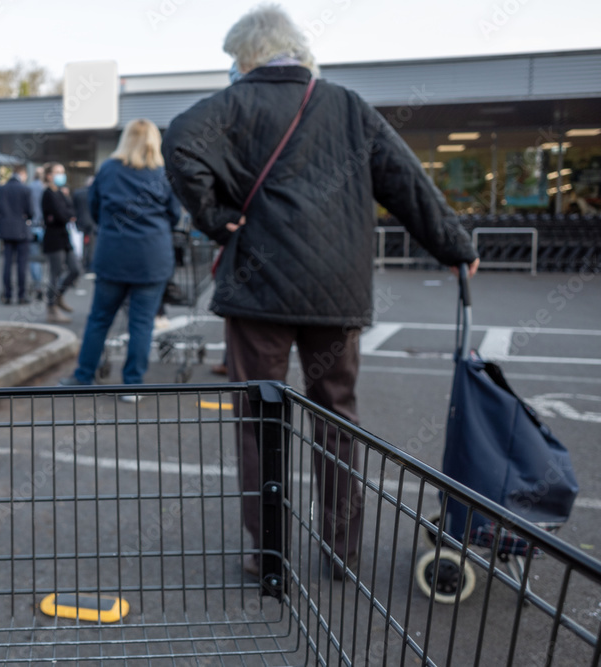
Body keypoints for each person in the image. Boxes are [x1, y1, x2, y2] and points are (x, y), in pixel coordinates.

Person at [162, 5, 480, 580]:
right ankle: (341, 550)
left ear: (247, 56)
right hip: (335, 291)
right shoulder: (348, 106)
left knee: (261, 415)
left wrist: (217, 218)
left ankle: (268, 552)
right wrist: (455, 246)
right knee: (337, 413)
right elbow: (404, 180)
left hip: (258, 288)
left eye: (234, 59)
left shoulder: (228, 107)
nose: (232, 68)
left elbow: (180, 141)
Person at [60, 119, 181, 397]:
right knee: (142, 323)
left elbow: (94, 208)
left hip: (114, 254)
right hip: (152, 257)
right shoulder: (163, 173)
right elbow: (174, 215)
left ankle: (83, 376)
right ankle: (132, 384)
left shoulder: (109, 170)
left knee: (100, 318)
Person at [41, 162, 82, 323]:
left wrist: (66, 213)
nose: (61, 175)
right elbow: (62, 215)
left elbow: (71, 211)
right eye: (58, 172)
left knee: (75, 269)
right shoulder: (48, 194)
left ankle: (58, 296)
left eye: (62, 172)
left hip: (65, 238)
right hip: (53, 239)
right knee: (55, 272)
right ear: (49, 175)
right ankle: (51, 308)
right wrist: (66, 214)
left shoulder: (61, 193)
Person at [0, 164, 34, 304]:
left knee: (7, 263)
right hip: (21, 230)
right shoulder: (25, 189)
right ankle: (22, 295)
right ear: (22, 173)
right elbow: (31, 212)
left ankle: (7, 294)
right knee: (22, 264)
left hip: (6, 231)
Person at [27, 166, 47, 300]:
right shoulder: (46, 189)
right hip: (44, 226)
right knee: (45, 258)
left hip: (32, 226)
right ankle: (41, 284)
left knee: (34, 258)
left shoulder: (28, 188)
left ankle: (38, 285)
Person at [72, 177, 97, 275]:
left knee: (82, 245)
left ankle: (83, 263)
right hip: (91, 223)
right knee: (91, 246)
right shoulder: (94, 193)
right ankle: (89, 265)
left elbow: (74, 207)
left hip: (81, 222)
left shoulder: (78, 193)